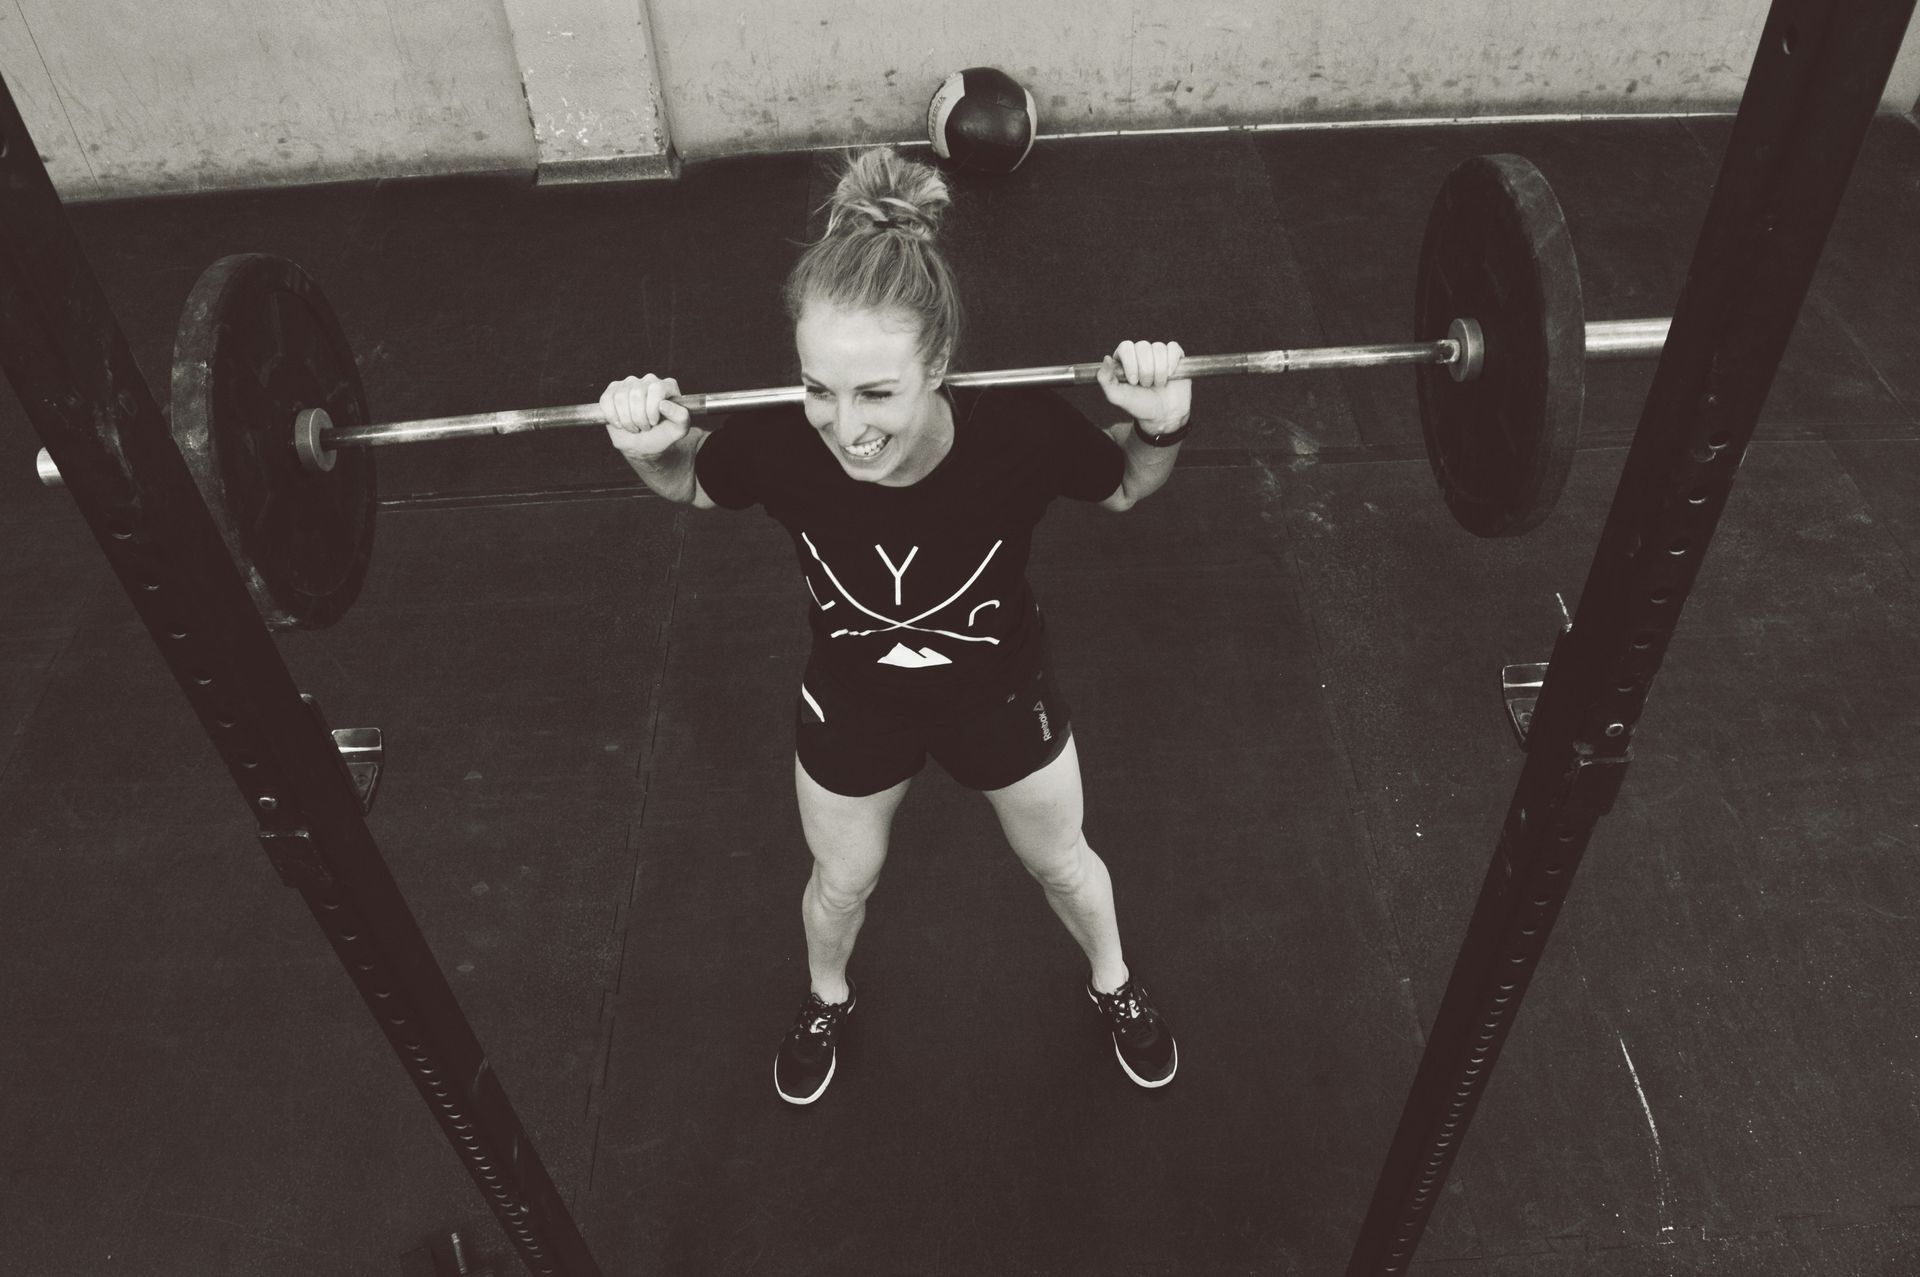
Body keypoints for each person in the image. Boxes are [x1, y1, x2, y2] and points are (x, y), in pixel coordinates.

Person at [601, 146, 1191, 1105]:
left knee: (1063, 864)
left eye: (876, 391)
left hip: (999, 692)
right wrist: (643, 441)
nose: (844, 425)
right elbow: (688, 480)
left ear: (942, 363)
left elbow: (1125, 482)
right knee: (842, 883)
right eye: (817, 387)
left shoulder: (1023, 435)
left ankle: (1115, 981)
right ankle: (826, 995)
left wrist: (1160, 422)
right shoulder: (777, 443)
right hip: (854, 700)